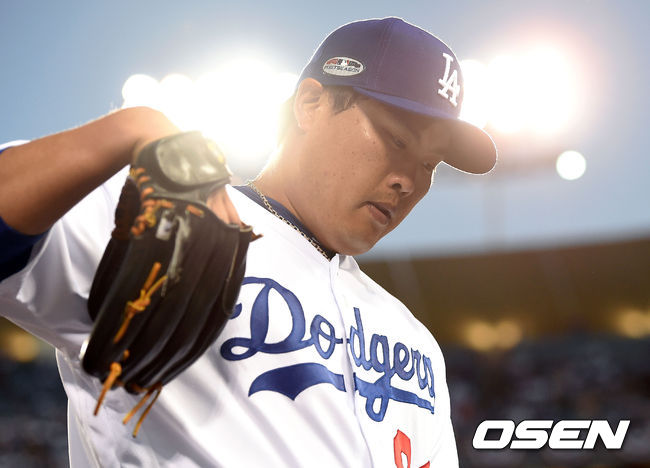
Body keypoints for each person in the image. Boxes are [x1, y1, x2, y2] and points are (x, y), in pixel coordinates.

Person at [0, 17, 496, 467]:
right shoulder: (174, 225)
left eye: (429, 164)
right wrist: (130, 127)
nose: (409, 181)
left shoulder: (415, 341)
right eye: (398, 140)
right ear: (311, 104)